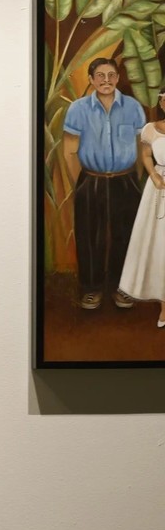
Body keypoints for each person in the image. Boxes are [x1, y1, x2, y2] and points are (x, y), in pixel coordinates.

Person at [63, 57, 146, 310]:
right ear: (91, 79)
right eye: (100, 75)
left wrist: (135, 180)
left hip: (126, 180)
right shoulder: (78, 109)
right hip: (91, 179)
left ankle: (122, 288)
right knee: (90, 236)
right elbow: (69, 151)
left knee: (126, 235)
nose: (106, 80)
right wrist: (81, 183)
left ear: (118, 78)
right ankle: (91, 289)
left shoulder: (133, 107)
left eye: (111, 75)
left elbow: (140, 147)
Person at [117, 89, 165, 327]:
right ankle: (164, 305)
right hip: (159, 188)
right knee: (159, 245)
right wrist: (154, 175)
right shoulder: (151, 129)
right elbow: (146, 155)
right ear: (162, 102)